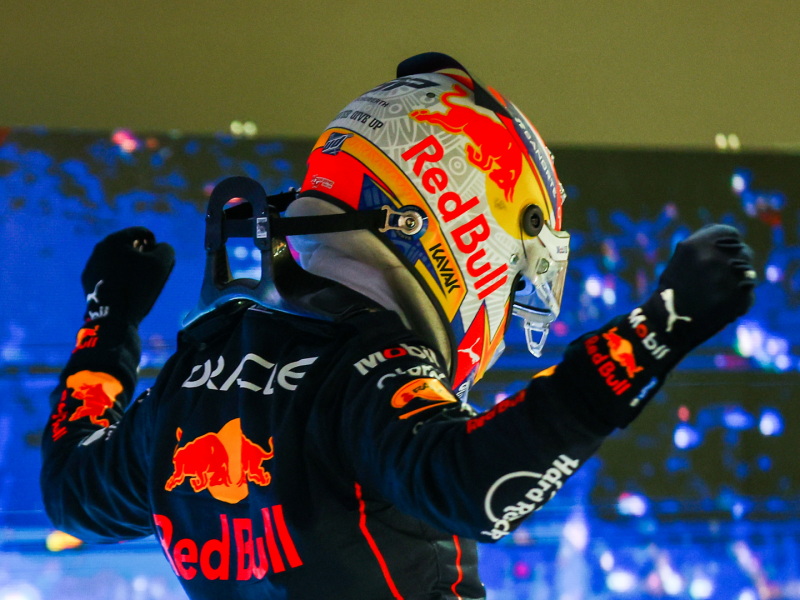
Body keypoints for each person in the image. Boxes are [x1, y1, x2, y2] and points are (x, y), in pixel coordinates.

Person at [41, 53, 756, 600]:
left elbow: (71, 486)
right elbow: (475, 483)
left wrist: (108, 321)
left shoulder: (190, 379)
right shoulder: (363, 368)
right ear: (465, 226)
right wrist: (663, 325)